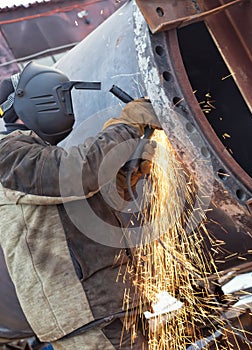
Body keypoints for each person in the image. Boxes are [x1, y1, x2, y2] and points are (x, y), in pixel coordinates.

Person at [0, 61, 161, 349]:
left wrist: (124, 174)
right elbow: (79, 173)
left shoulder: (38, 158)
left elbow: (84, 213)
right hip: (82, 310)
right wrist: (126, 127)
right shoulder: (8, 157)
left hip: (107, 302)